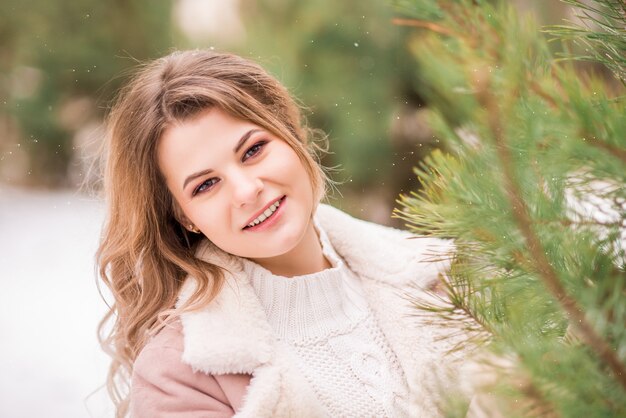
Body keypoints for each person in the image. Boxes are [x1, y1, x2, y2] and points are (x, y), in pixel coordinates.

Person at [97, 49, 467, 418]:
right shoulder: (180, 374)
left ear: (294, 136)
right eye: (207, 184)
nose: (246, 191)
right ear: (183, 217)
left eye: (253, 150)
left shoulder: (444, 275)